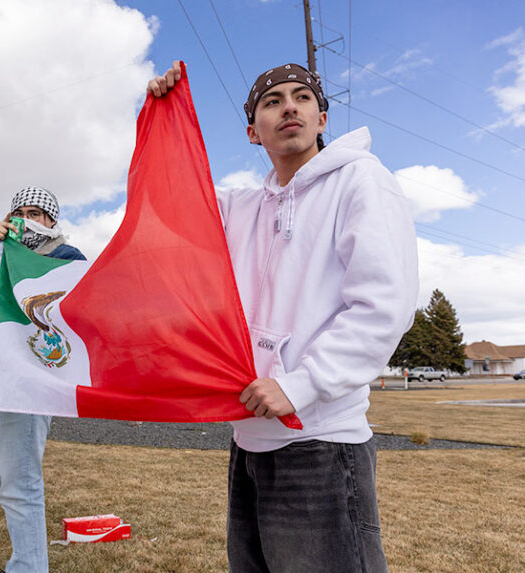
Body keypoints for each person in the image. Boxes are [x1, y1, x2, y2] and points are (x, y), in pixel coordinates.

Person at [148, 62, 418, 572]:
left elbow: (384, 303)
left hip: (321, 439)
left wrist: (304, 383)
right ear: (253, 132)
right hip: (249, 437)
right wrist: (163, 114)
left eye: (302, 97)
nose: (289, 106)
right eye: (272, 101)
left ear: (321, 119)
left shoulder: (361, 181)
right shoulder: (241, 207)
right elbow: (165, 200)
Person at [0, 186, 85, 573]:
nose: (26, 219)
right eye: (19, 213)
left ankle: (29, 567)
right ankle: (24, 562)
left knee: (22, 483)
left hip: (31, 380)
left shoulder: (67, 256)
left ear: (50, 219)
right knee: (8, 482)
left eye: (34, 212)